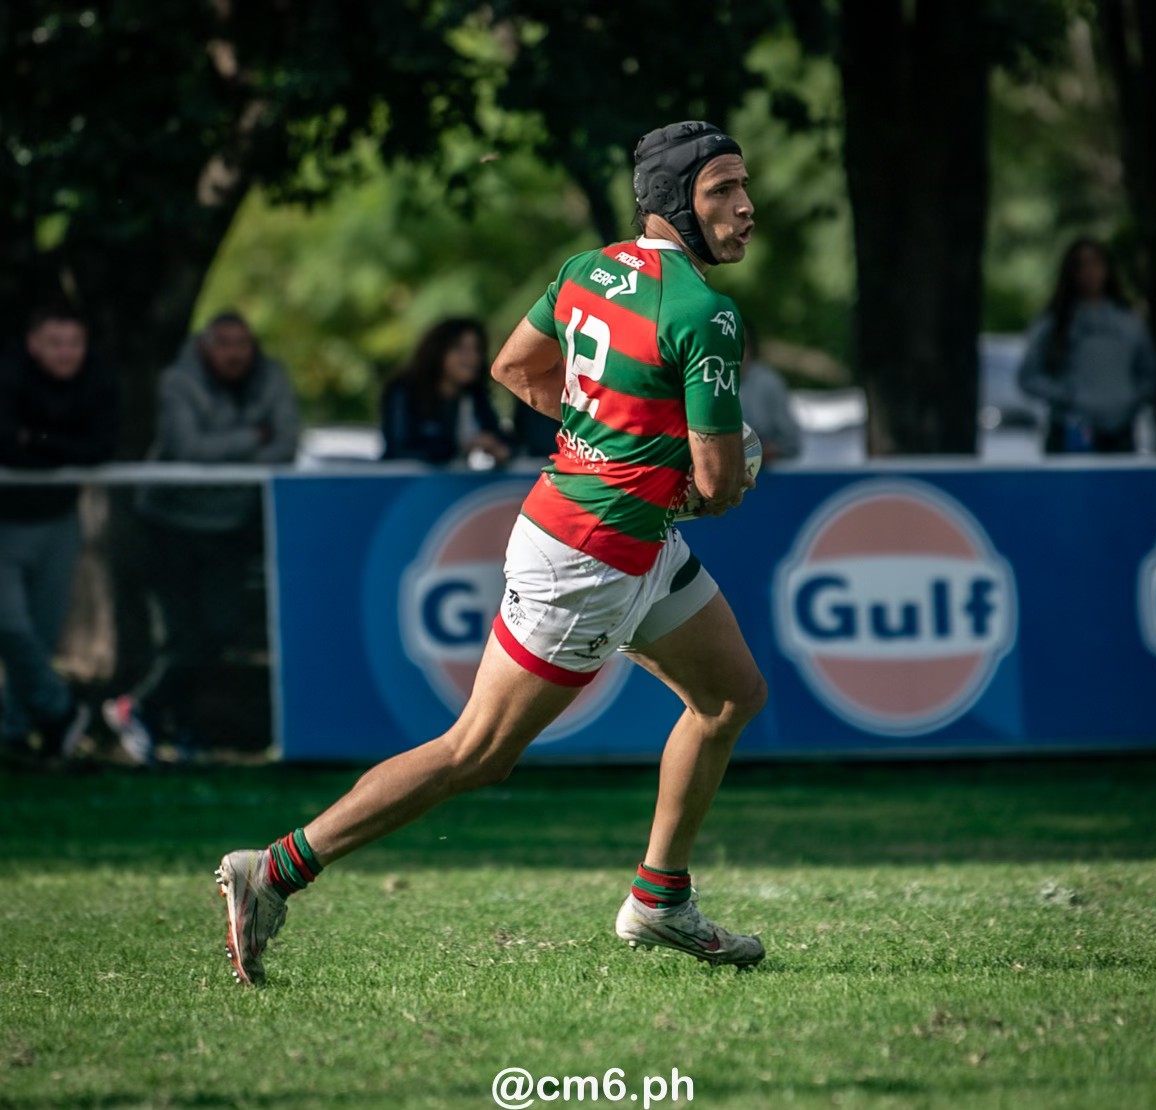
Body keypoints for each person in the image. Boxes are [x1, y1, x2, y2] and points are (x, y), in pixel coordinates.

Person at [215, 120, 767, 987]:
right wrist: (721, 469)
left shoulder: (586, 271)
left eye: (743, 188)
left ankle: (659, 899)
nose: (746, 208)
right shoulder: (706, 313)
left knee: (731, 695)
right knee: (476, 753)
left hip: (626, 539)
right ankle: (273, 870)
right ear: (673, 205)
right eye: (723, 191)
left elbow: (516, 368)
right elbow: (718, 482)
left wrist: (610, 443)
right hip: (589, 555)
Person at [103, 312, 299, 763]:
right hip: (169, 525)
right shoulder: (179, 380)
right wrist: (254, 436)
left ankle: (149, 711)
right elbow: (189, 449)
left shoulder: (271, 378)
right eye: (224, 343)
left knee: (221, 629)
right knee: (181, 635)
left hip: (230, 527)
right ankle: (160, 719)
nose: (234, 353)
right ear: (206, 347)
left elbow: (285, 445)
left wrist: (225, 448)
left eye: (242, 343)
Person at [0, 305, 118, 758]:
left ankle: (16, 736)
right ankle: (59, 709)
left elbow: (100, 447)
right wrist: (60, 448)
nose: (66, 353)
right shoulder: (9, 374)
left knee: (41, 635)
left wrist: (38, 441)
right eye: (55, 342)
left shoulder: (98, 378)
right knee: (10, 626)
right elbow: (7, 444)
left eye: (74, 342)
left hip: (58, 521)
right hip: (5, 523)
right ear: (33, 344)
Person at [1018, 237, 1156, 453]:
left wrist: (1129, 401)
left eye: (1095, 263)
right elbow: (1028, 376)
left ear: (1107, 269)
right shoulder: (1054, 323)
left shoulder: (1129, 321)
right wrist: (1066, 395)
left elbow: (1149, 373)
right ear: (1070, 273)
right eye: (1080, 265)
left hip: (1120, 430)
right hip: (1070, 429)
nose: (1089, 272)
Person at [380, 317, 512, 466]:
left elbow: (501, 439)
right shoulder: (404, 392)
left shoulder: (473, 398)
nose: (471, 358)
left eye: (476, 349)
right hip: (404, 486)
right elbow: (401, 450)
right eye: (460, 349)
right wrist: (461, 447)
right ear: (438, 351)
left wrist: (499, 449)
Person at [739, 327, 801, 463]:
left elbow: (791, 442)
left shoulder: (768, 383)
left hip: (765, 474)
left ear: (748, 349)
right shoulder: (704, 382)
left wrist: (751, 454)